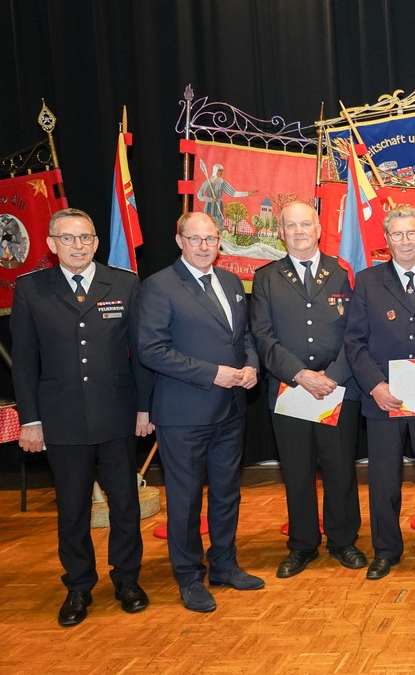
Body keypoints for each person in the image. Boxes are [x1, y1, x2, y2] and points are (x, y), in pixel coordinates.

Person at [11, 208, 154, 626]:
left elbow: (141, 355)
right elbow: (23, 363)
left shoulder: (125, 284)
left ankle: (127, 579)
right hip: (61, 419)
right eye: (68, 238)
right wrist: (30, 420)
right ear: (52, 244)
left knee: (124, 504)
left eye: (86, 237)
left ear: (95, 242)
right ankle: (78, 584)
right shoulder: (32, 289)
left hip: (118, 415)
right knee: (72, 508)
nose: (79, 245)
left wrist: (144, 408)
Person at [138, 212, 262, 613]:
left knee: (227, 494)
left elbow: (243, 336)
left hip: (230, 410)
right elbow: (151, 351)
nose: (205, 246)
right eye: (196, 239)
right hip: (184, 413)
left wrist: (250, 366)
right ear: (180, 241)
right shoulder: (159, 287)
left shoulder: (230, 281)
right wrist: (214, 374)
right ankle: (189, 577)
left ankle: (224, 565)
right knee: (186, 499)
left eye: (211, 239)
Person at [250, 201, 365, 579]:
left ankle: (343, 540)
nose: (299, 231)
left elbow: (357, 332)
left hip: (338, 386)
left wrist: (333, 376)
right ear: (280, 233)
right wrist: (301, 375)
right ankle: (302, 545)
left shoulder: (343, 272)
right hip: (289, 388)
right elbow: (262, 337)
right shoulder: (266, 277)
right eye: (291, 226)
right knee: (297, 472)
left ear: (319, 229)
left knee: (339, 469)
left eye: (306, 224)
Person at [344, 205, 415, 580]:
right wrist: (375, 386)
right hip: (384, 399)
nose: (405, 241)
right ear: (386, 240)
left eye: (411, 234)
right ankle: (386, 550)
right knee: (384, 481)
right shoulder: (367, 281)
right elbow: (355, 343)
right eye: (397, 235)